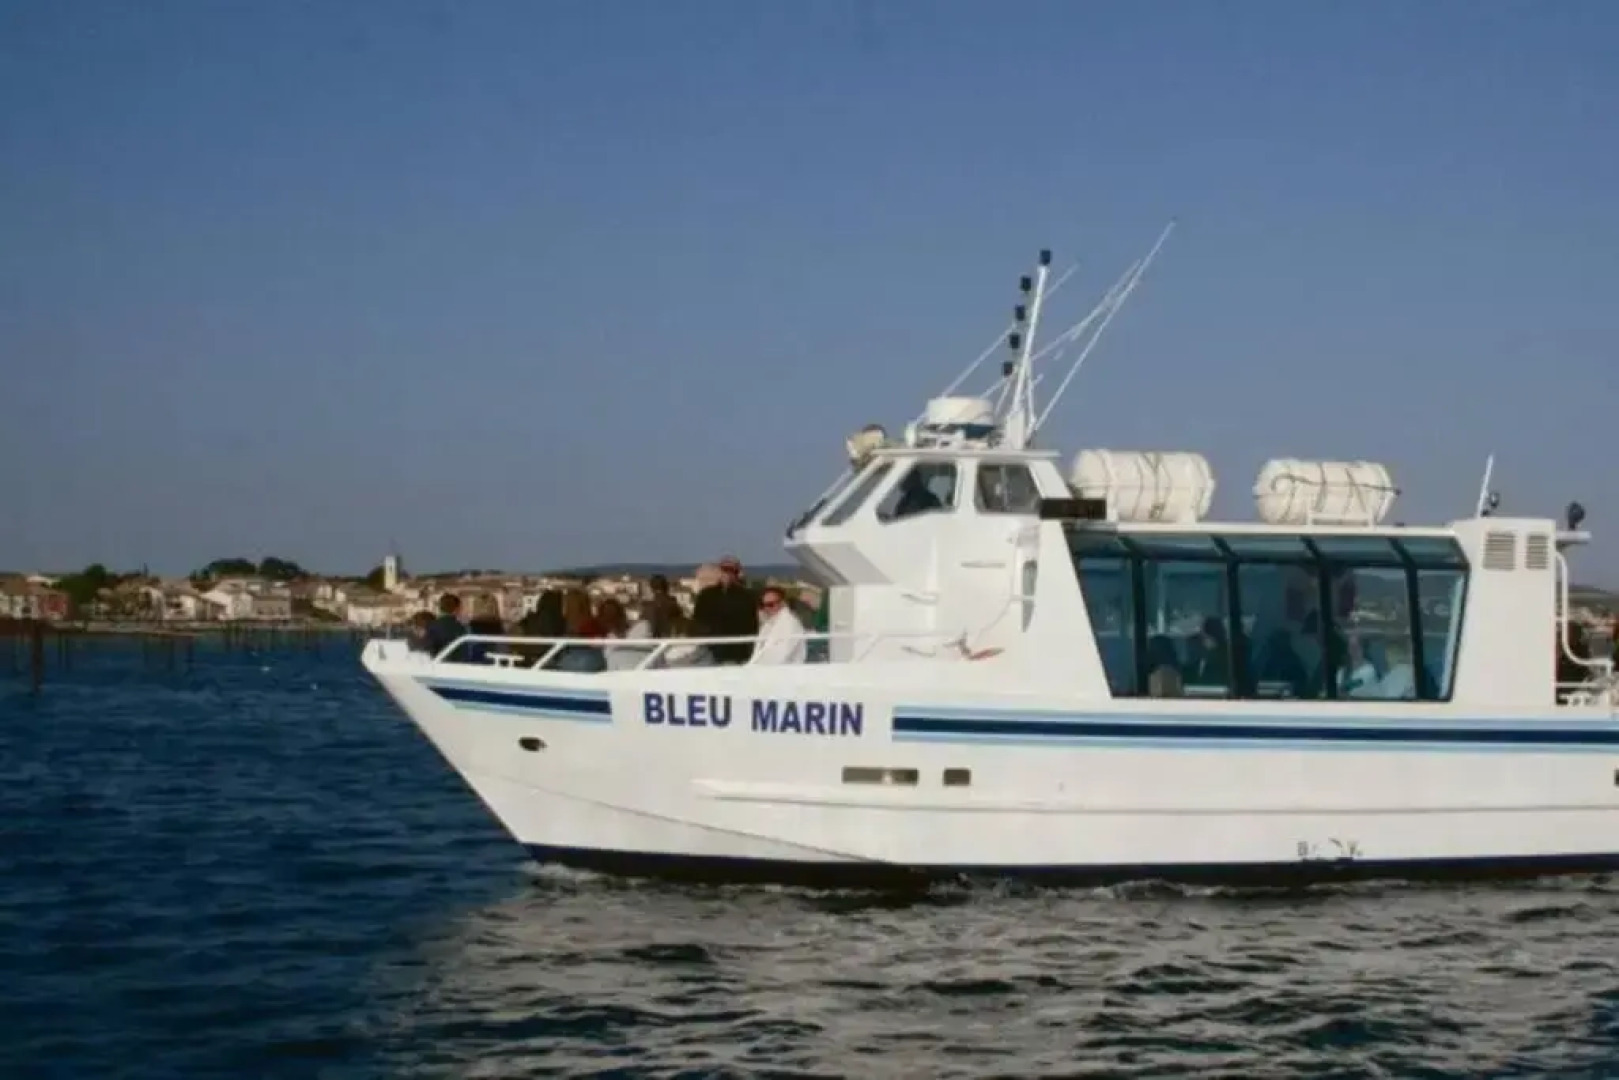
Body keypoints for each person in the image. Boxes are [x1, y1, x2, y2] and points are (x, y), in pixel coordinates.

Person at [691, 556, 758, 665]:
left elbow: (752, 625)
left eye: (732, 570)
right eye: (724, 569)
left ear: (737, 573)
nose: (728, 573)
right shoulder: (706, 595)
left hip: (736, 652)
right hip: (709, 649)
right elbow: (697, 620)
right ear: (719, 571)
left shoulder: (747, 597)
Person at [752, 586, 807, 665]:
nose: (766, 608)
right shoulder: (768, 624)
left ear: (782, 603)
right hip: (767, 672)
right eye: (763, 605)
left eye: (771, 604)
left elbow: (780, 654)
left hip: (785, 672)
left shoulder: (790, 623)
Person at [423, 593, 466, 659]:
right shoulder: (462, 627)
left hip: (437, 664)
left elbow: (428, 650)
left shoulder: (431, 626)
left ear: (440, 608)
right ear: (457, 609)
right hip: (458, 665)